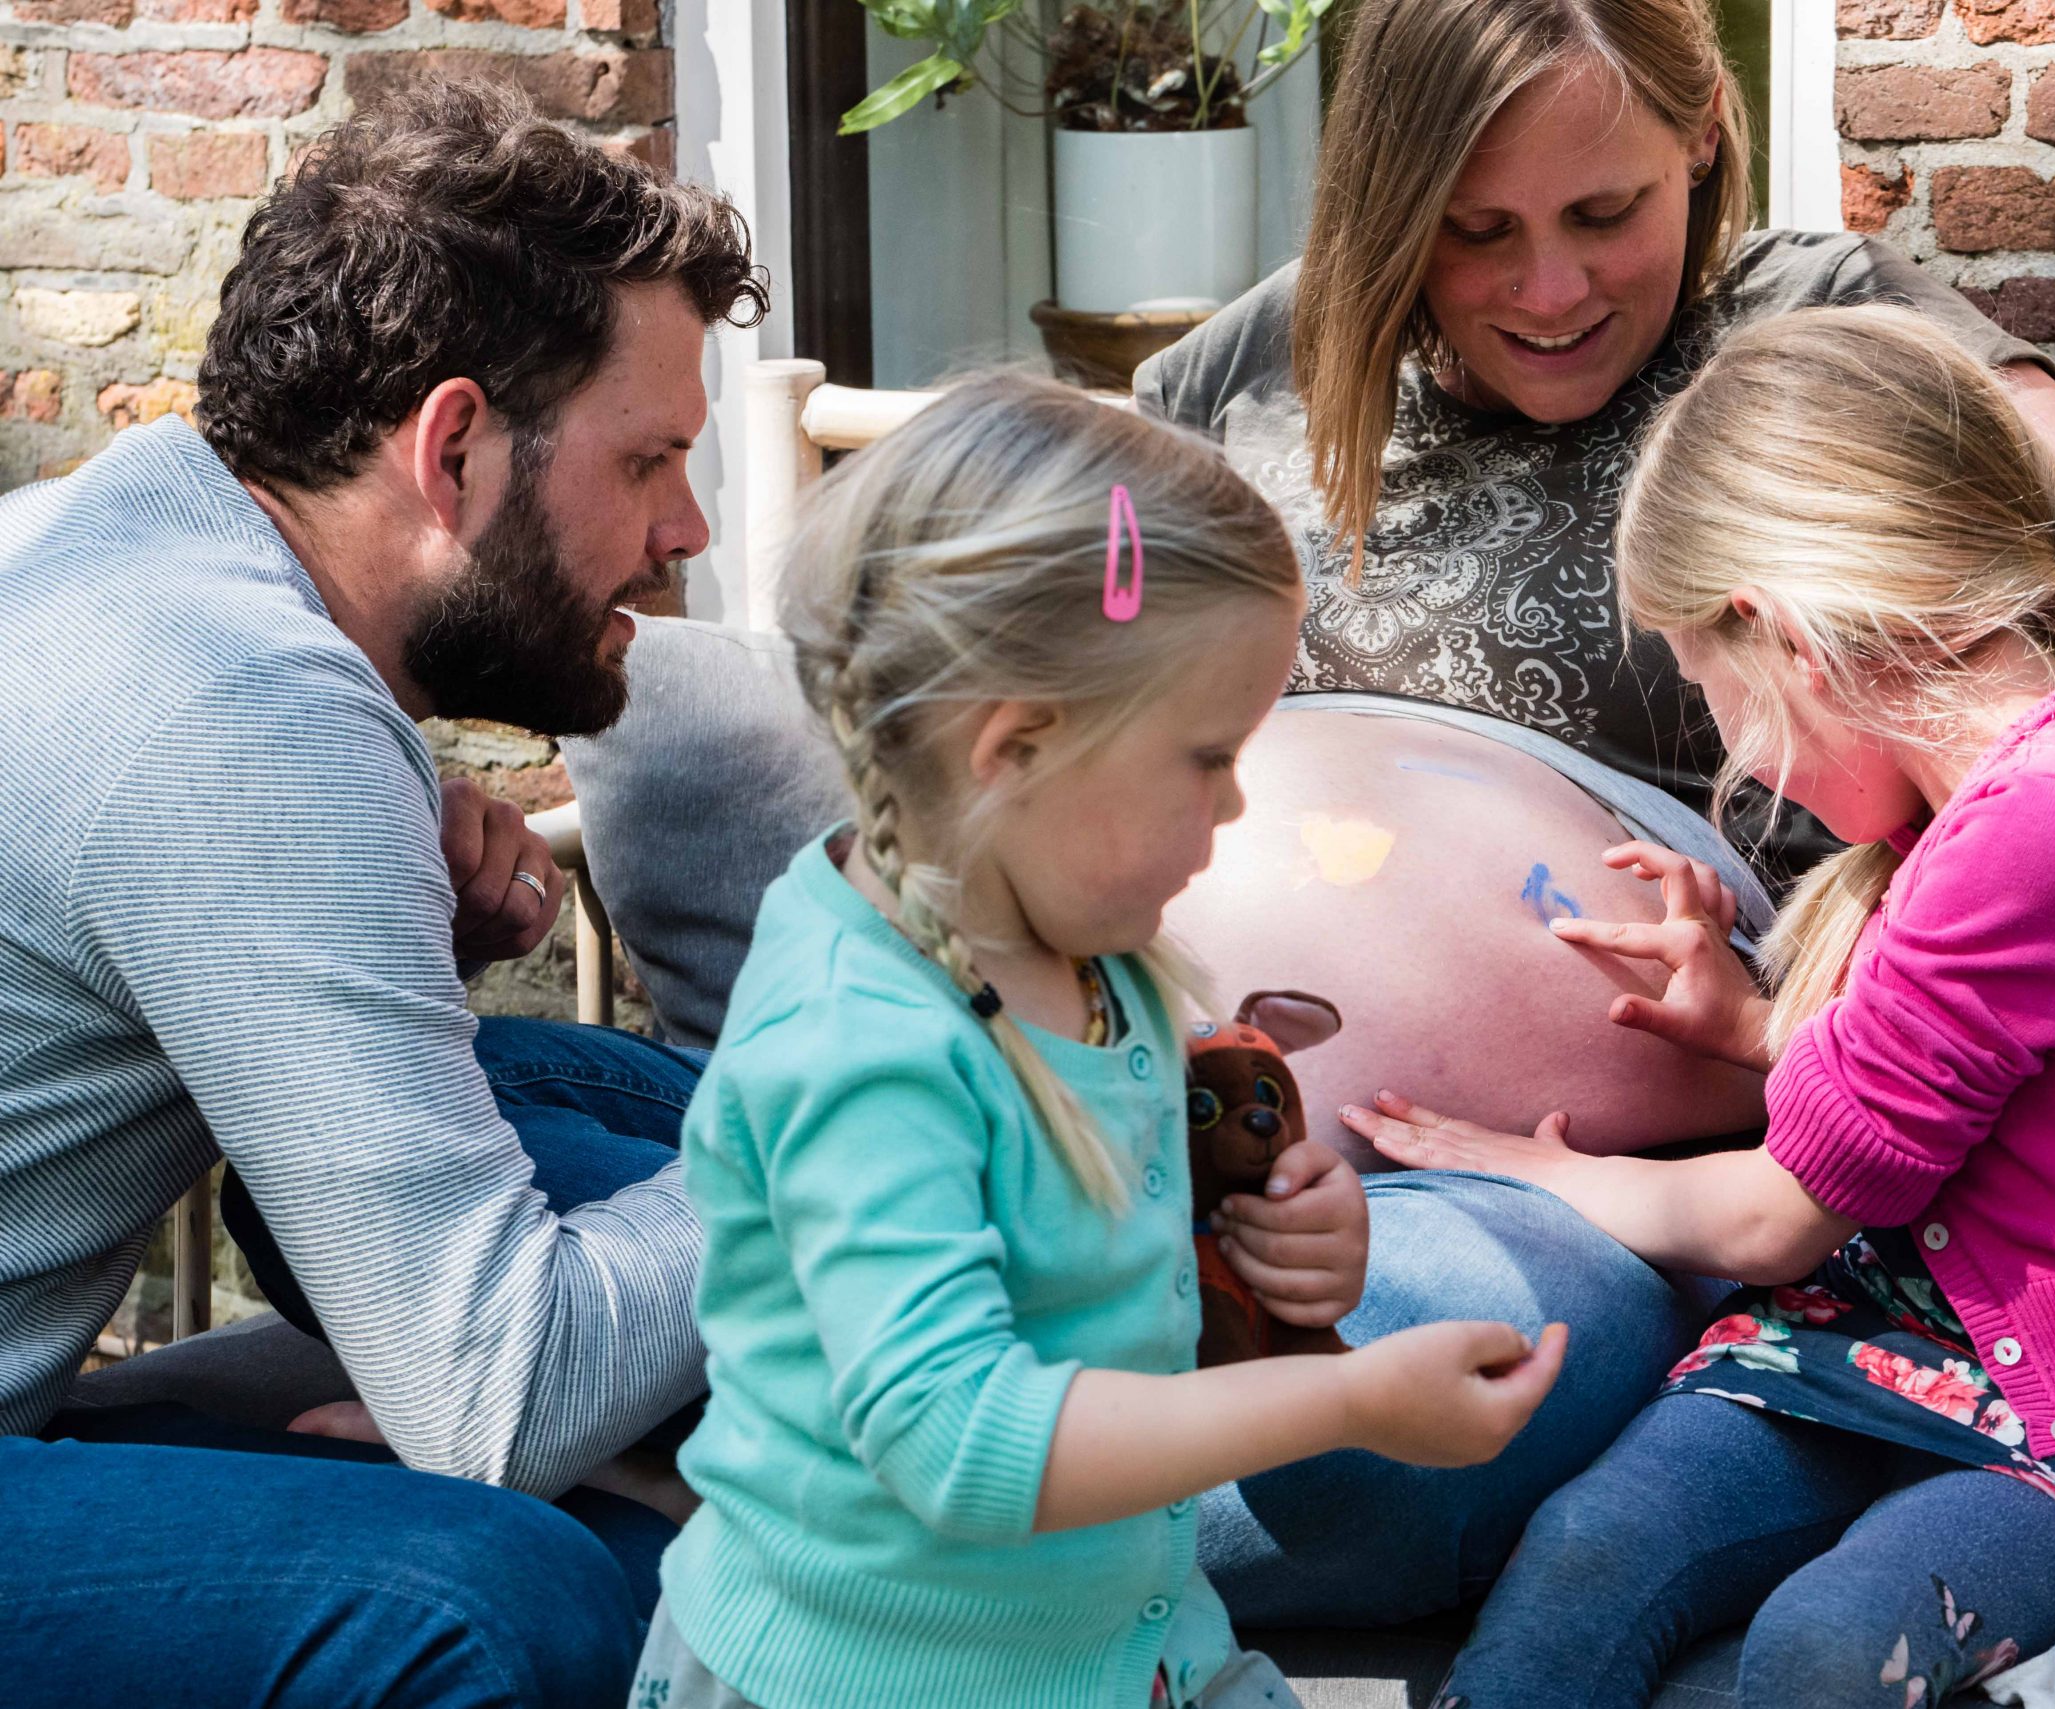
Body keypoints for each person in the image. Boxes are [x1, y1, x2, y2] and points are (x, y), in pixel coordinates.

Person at [1141, 0, 2055, 1631]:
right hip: (1159, 1087)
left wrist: (1879, 1048)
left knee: (1301, 1424)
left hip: (1594, 1186)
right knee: (808, 1189)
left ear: (1705, 126)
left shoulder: (1831, 338)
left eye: (1606, 213)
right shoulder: (1244, 369)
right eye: (1472, 230)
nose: (1549, 289)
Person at [1344, 308, 2055, 1707]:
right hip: (1896, 1350)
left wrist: (1542, 1170)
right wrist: (1753, 1028)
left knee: (1835, 1637)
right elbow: (1976, 1092)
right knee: (1591, 1544)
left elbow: (1775, 1215)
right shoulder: (1981, 817)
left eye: (1717, 698)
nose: (1740, 755)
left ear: (1788, 639)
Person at [630, 372, 1565, 1709]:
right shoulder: (858, 1047)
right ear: (1014, 748)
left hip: (1119, 1646)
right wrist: (1347, 1404)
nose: (1239, 802)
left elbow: (1090, 1254)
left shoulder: (1092, 956)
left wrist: (1290, 1243)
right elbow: (961, 1437)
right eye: (1205, 755)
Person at [0, 83, 762, 1707]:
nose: (682, 532)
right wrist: (840, 1145)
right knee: (503, 1592)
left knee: (527, 1083)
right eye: (653, 461)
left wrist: (395, 855)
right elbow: (498, 1401)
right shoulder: (238, 704)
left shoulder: (104, 545)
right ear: (456, 445)